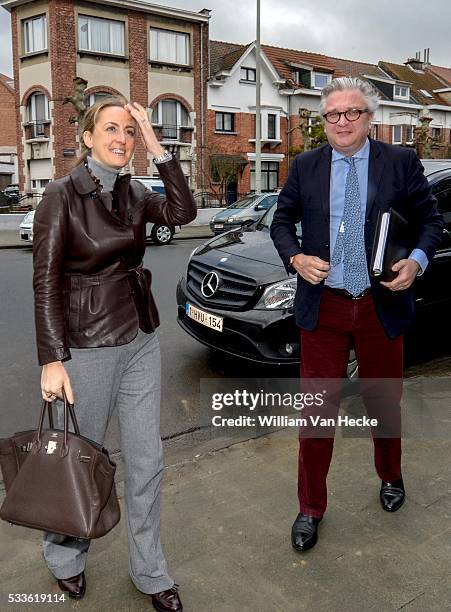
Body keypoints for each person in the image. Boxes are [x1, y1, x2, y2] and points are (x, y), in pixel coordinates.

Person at [33, 97, 196, 611]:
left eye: (128, 130)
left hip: (140, 337)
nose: (121, 138)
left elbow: (183, 212)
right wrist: (51, 358)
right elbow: (45, 282)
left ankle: (150, 570)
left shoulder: (136, 191)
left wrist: (156, 144)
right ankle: (64, 557)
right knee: (80, 461)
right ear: (87, 137)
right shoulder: (61, 196)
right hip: (86, 345)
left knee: (147, 461)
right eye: (111, 128)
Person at [270, 77, 443, 552]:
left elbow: (432, 222)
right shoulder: (305, 165)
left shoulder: (400, 162)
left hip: (379, 304)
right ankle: (310, 507)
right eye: (332, 115)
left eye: (352, 113)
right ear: (322, 122)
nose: (341, 122)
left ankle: (391, 476)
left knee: (383, 404)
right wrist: (295, 258)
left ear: (370, 119)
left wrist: (417, 261)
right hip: (323, 307)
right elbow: (281, 222)